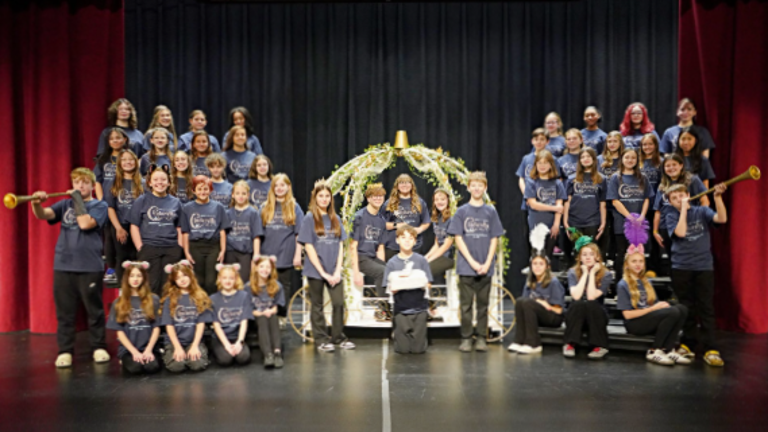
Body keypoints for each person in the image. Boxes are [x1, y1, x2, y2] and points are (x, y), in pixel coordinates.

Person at [30, 168, 110, 368]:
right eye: (76, 182)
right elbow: (43, 215)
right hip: (63, 265)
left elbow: (85, 224)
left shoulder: (100, 205)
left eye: (84, 182)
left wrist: (77, 200)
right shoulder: (65, 204)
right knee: (65, 312)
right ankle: (65, 351)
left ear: (92, 186)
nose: (80, 186)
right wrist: (36, 203)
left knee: (94, 310)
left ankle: (99, 347)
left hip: (90, 266)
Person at [665, 182, 728, 367]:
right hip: (681, 267)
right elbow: (681, 232)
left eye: (681, 195)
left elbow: (722, 219)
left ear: (688, 195)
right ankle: (688, 344)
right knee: (686, 308)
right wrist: (683, 211)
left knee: (706, 308)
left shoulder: (701, 211)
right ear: (670, 202)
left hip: (703, 267)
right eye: (674, 198)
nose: (679, 200)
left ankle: (711, 348)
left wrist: (717, 198)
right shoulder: (670, 215)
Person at [447, 171, 504, 352]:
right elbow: (458, 238)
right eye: (474, 185)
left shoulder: (491, 211)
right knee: (466, 306)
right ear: (468, 187)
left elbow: (494, 238)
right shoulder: (462, 211)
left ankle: (481, 337)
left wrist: (487, 263)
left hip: (485, 266)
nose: (477, 188)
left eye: (480, 185)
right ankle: (466, 337)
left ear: (485, 188)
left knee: (482, 305)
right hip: (466, 267)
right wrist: (472, 262)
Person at [617, 233, 690, 366]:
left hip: (649, 317)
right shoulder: (623, 284)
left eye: (640, 261)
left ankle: (668, 349)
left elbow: (654, 304)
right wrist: (653, 309)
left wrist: (660, 306)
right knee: (672, 312)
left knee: (682, 309)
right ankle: (655, 350)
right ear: (627, 264)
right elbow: (627, 315)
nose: (638, 264)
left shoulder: (646, 281)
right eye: (634, 261)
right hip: (635, 323)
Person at [298, 180, 353, 352]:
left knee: (338, 303)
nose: (324, 199)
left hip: (333, 270)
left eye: (327, 196)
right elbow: (308, 247)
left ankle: (338, 337)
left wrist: (337, 271)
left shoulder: (335, 218)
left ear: (331, 198)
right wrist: (323, 273)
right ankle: (321, 339)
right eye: (320, 196)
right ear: (315, 198)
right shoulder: (309, 218)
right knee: (317, 305)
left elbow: (340, 245)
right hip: (316, 270)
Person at [128, 164, 183, 295]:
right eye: (156, 180)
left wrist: (179, 247)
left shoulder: (176, 202)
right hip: (149, 247)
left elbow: (180, 227)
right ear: (150, 183)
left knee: (169, 286)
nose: (160, 182)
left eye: (163, 179)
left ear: (169, 182)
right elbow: (134, 226)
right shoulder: (141, 201)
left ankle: (166, 309)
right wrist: (140, 247)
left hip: (171, 248)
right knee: (151, 285)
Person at [383, 225, 433, 354]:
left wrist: (414, 281)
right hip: (401, 311)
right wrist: (399, 284)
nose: (407, 241)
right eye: (403, 237)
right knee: (402, 350)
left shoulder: (421, 261)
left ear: (415, 241)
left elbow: (428, 284)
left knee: (418, 350)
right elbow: (388, 287)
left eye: (411, 238)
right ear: (397, 240)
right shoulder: (392, 263)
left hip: (420, 310)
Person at [652, 155, 708, 267]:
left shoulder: (693, 180)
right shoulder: (662, 185)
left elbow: (704, 200)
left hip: (688, 224)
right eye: (667, 166)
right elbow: (658, 211)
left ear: (681, 165)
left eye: (674, 164)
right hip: (666, 227)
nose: (671, 168)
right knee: (673, 260)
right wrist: (655, 231)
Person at [260, 173, 304, 315]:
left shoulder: (294, 207)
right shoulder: (265, 207)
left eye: (282, 185)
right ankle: (268, 315)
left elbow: (299, 233)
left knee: (284, 286)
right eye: (276, 185)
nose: (279, 188)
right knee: (267, 285)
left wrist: (298, 254)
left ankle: (282, 316)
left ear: (288, 187)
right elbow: (258, 233)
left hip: (286, 254)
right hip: (267, 254)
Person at [106, 261, 162, 374]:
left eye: (139, 276)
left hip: (149, 347)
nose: (135, 279)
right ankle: (125, 359)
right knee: (135, 368)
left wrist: (149, 350)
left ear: (144, 278)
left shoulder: (153, 300)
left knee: (152, 367)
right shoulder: (119, 302)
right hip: (129, 349)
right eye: (132, 276)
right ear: (127, 278)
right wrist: (134, 352)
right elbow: (119, 331)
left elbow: (156, 327)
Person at [607, 148, 653, 281]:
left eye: (633, 158)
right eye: (627, 157)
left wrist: (642, 216)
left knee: (638, 255)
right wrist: (630, 217)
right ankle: (619, 285)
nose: (630, 160)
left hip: (639, 224)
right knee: (622, 254)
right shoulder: (616, 177)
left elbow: (647, 198)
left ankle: (637, 284)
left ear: (637, 160)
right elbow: (615, 201)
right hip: (622, 223)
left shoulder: (642, 177)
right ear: (622, 159)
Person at [159, 261, 214, 372]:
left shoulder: (199, 296)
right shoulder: (170, 299)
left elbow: (200, 324)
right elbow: (169, 325)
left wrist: (195, 345)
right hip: (174, 342)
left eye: (185, 275)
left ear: (191, 276)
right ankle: (170, 354)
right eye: (178, 278)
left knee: (197, 365)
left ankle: (195, 353)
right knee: (177, 366)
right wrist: (177, 347)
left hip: (194, 341)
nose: (182, 279)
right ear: (174, 281)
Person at [180, 175, 231, 295]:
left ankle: (211, 302)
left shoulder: (218, 207)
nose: (202, 192)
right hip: (195, 246)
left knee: (211, 281)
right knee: (199, 280)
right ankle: (199, 302)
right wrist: (186, 252)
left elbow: (222, 230)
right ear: (193, 191)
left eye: (205, 189)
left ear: (211, 190)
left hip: (213, 246)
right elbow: (185, 232)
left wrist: (223, 250)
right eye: (199, 189)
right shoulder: (187, 208)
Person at [508, 252, 565, 354]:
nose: (537, 267)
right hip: (535, 315)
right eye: (535, 264)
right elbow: (524, 304)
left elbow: (559, 311)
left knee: (529, 303)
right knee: (520, 301)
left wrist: (545, 305)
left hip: (553, 317)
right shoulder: (530, 282)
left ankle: (533, 343)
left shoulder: (553, 282)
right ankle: (519, 340)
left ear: (547, 267)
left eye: (541, 264)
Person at [563, 243, 612, 359]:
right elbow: (576, 296)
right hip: (577, 315)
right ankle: (570, 344)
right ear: (580, 258)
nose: (588, 257)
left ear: (597, 257)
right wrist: (585, 273)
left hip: (596, 315)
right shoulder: (572, 272)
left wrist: (592, 273)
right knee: (578, 304)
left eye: (591, 254)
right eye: (584, 255)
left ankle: (599, 346)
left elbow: (591, 296)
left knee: (591, 304)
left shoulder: (606, 274)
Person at [104, 149, 144, 282]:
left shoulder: (143, 183)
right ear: (119, 163)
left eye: (131, 159)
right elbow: (110, 207)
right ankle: (123, 290)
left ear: (136, 162)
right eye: (124, 160)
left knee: (139, 258)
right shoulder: (113, 182)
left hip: (139, 227)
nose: (128, 162)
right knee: (123, 259)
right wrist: (118, 228)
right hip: (121, 225)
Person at [350, 183, 389, 319]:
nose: (378, 198)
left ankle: (393, 306)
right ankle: (383, 310)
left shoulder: (381, 220)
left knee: (390, 269)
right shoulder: (359, 217)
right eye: (375, 196)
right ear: (368, 198)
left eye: (381, 196)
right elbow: (353, 246)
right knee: (382, 272)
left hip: (371, 257)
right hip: (360, 256)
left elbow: (380, 248)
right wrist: (356, 272)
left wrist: (383, 266)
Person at [563, 148, 607, 266]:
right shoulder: (572, 178)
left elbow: (603, 203)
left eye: (588, 156)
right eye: (582, 157)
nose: (585, 159)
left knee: (591, 253)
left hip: (592, 220)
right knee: (577, 254)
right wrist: (565, 222)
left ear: (594, 159)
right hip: (574, 220)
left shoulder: (601, 179)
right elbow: (567, 201)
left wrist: (603, 223)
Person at [524, 150, 566, 258]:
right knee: (537, 255)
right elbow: (533, 204)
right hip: (536, 223)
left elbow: (560, 206)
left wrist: (556, 224)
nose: (542, 166)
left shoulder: (557, 183)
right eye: (540, 163)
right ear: (535, 165)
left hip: (551, 224)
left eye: (545, 163)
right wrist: (554, 208)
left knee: (548, 256)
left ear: (551, 165)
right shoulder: (531, 182)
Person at [209, 264, 252, 367]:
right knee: (225, 359)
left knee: (243, 358)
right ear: (219, 279)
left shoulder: (244, 296)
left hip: (237, 336)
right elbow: (216, 325)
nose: (228, 281)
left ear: (236, 279)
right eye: (224, 278)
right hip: (221, 338)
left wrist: (239, 342)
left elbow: (244, 321)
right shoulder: (213, 299)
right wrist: (227, 345)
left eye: (231, 278)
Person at [381, 174, 431, 261]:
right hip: (393, 246)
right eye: (401, 183)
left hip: (414, 245)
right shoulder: (389, 203)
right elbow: (381, 224)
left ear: (412, 185)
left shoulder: (419, 202)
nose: (404, 185)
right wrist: (397, 225)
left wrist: (419, 229)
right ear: (397, 186)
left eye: (407, 182)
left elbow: (426, 222)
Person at [249, 256, 286, 368]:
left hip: (270, 314)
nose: (265, 270)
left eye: (268, 267)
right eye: (261, 266)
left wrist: (271, 310)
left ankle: (277, 352)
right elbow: (248, 310)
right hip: (255, 317)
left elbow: (276, 307)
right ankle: (268, 354)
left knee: (273, 317)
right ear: (256, 268)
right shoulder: (248, 287)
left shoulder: (277, 286)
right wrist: (261, 313)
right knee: (263, 319)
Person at [226, 180, 263, 282]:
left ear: (248, 195)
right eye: (237, 193)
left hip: (245, 253)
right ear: (233, 195)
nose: (240, 196)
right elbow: (224, 234)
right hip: (230, 251)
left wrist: (256, 255)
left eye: (243, 193)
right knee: (230, 279)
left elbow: (256, 235)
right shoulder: (228, 213)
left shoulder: (253, 213)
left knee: (244, 280)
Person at [424, 188, 455, 283]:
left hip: (450, 256)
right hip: (440, 254)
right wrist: (425, 258)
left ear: (448, 200)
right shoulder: (437, 218)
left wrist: (430, 260)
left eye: (442, 199)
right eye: (437, 199)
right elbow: (437, 244)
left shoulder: (452, 219)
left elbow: (446, 246)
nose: (439, 202)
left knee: (426, 270)